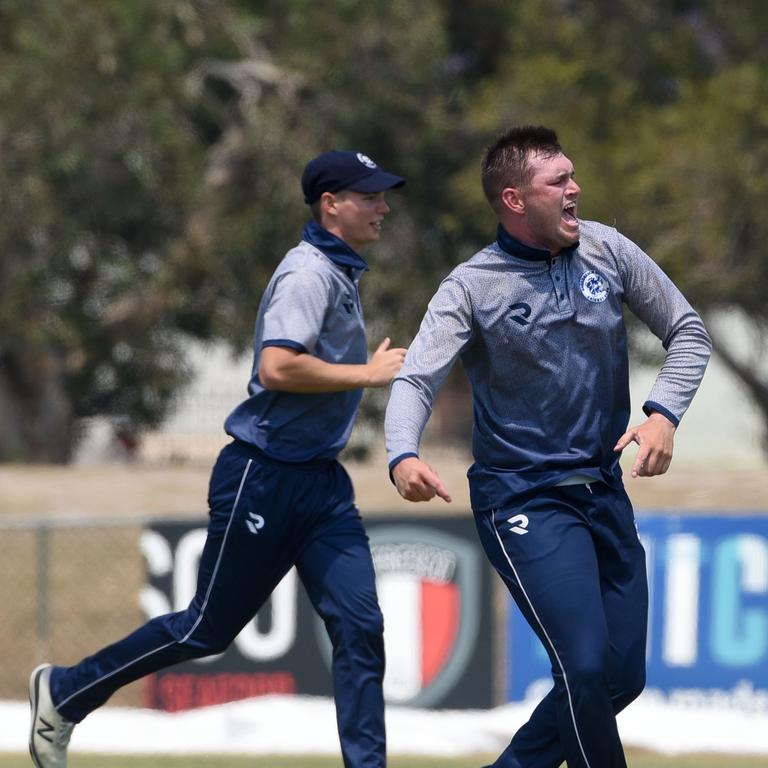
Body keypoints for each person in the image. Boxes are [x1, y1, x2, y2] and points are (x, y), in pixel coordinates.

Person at [29, 150, 407, 768]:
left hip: (322, 486)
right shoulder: (308, 273)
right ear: (330, 204)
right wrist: (365, 374)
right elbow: (276, 366)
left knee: (361, 628)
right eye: (370, 196)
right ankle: (65, 692)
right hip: (264, 476)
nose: (383, 206)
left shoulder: (340, 272)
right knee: (203, 629)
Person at [385, 126, 711, 768]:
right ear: (514, 199)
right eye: (558, 181)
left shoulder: (608, 250)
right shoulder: (470, 287)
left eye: (573, 175)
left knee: (620, 677)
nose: (575, 189)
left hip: (603, 494)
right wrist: (403, 453)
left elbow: (688, 330)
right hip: (523, 499)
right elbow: (417, 376)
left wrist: (663, 414)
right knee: (584, 668)